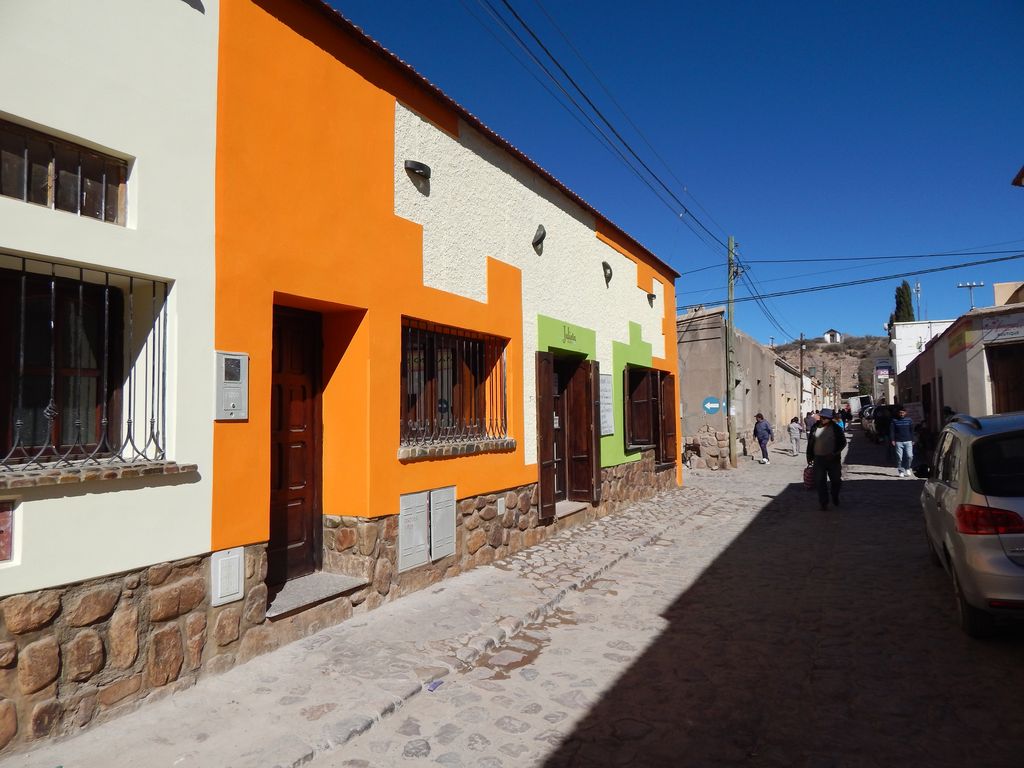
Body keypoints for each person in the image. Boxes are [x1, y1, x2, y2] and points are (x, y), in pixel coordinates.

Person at [807, 407, 847, 510]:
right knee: (820, 482)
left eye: (825, 418)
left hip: (833, 459)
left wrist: (834, 453)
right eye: (821, 417)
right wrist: (809, 456)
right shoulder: (815, 427)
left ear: (830, 418)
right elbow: (810, 442)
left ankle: (834, 495)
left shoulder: (836, 428)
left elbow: (843, 443)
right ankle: (823, 502)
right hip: (818, 459)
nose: (822, 419)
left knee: (836, 480)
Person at [890, 405, 915, 477]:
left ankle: (907, 468)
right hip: (898, 441)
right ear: (898, 413)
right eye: (900, 413)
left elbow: (912, 431)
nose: (901, 414)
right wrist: (892, 440)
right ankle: (901, 471)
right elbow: (892, 431)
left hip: (908, 441)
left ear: (905, 413)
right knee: (899, 457)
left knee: (910, 456)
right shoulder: (894, 421)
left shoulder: (909, 420)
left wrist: (913, 439)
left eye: (903, 413)